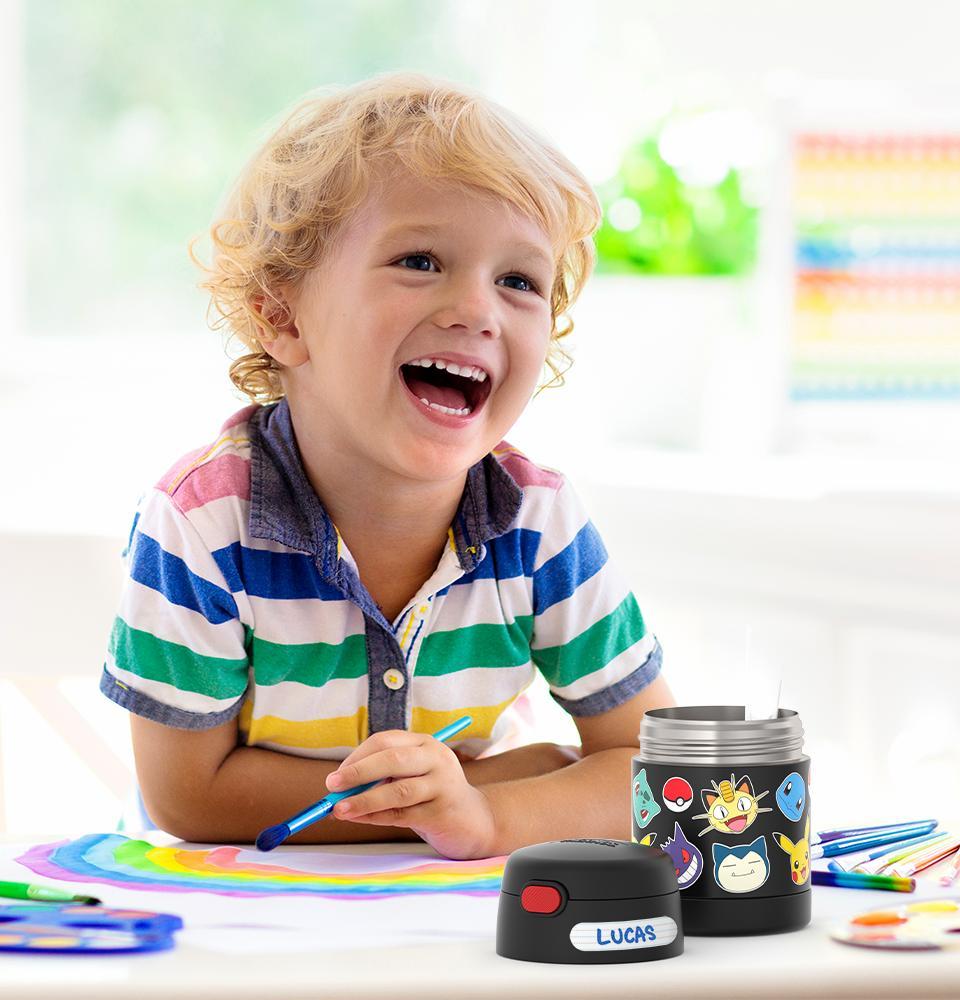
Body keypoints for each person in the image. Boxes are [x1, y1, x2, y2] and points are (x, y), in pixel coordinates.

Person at [100, 71, 674, 860]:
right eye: (419, 260)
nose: (477, 308)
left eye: (518, 280)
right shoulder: (201, 523)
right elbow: (188, 797)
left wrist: (490, 815)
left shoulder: (539, 522)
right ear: (281, 315)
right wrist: (477, 792)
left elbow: (660, 772)